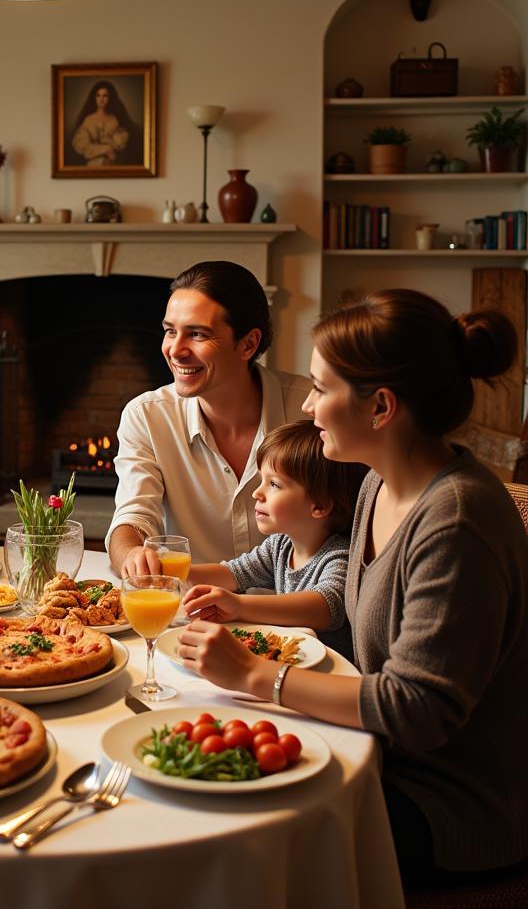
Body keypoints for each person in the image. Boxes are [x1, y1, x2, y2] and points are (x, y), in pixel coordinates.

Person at [178, 289, 528, 880]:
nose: (310, 408)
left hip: (445, 806)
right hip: (374, 752)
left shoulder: (457, 519)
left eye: (321, 388)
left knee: (217, 835)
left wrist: (254, 675)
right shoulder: (375, 487)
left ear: (380, 407)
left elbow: (416, 709)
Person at [106, 260, 310, 573]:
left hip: (295, 612)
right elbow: (132, 519)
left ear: (248, 344)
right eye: (170, 331)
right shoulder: (146, 416)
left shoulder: (309, 409)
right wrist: (132, 554)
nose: (175, 350)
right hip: (195, 612)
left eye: (197, 334)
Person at [181, 419, 367, 657]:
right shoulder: (281, 545)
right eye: (262, 480)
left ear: (319, 505)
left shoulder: (339, 556)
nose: (257, 492)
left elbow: (324, 606)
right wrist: (170, 573)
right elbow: (232, 573)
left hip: (328, 678)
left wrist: (238, 606)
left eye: (275, 485)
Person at [70, 80, 138, 167]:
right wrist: (105, 149)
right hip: (93, 165)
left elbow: (118, 145)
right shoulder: (88, 120)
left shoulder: (114, 119)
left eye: (105, 96)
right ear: (94, 98)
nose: (101, 99)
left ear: (109, 98)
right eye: (98, 95)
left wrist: (113, 149)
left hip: (112, 165)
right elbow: (83, 146)